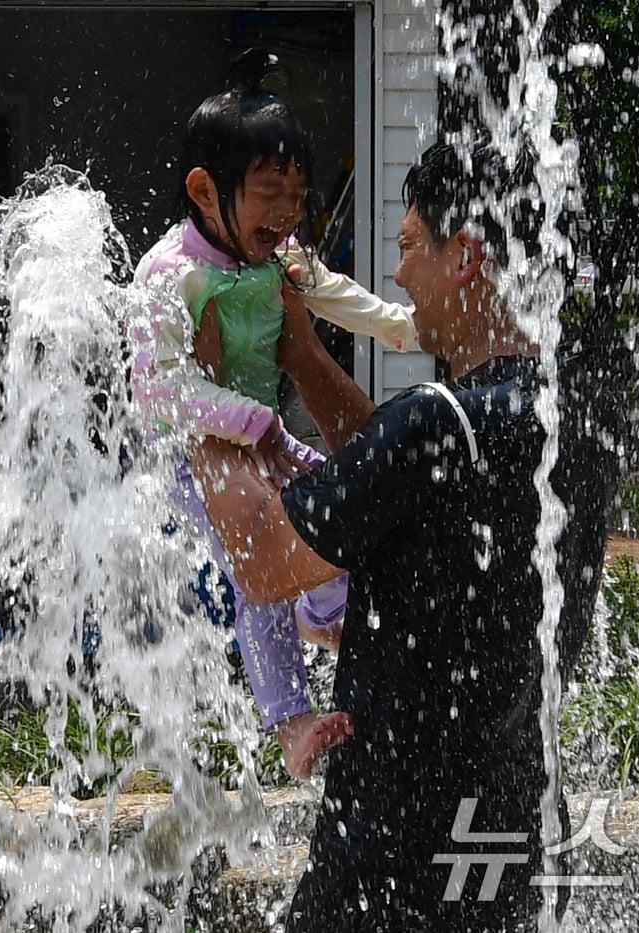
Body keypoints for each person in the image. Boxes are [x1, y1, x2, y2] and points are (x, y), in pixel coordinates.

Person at [190, 138, 622, 931]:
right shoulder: (580, 427)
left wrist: (198, 395)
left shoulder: (433, 428)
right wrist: (303, 352)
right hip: (505, 837)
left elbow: (261, 562)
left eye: (409, 244)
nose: (397, 274)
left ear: (464, 256)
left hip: (388, 856)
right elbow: (397, 486)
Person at [132, 49, 416, 780]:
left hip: (261, 434)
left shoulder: (272, 256)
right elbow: (156, 390)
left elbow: (333, 292)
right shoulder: (171, 275)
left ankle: (327, 616)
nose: (287, 213)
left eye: (296, 193)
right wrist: (246, 420)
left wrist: (404, 328)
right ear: (204, 189)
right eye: (268, 192)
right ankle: (290, 722)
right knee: (262, 572)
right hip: (192, 454)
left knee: (343, 508)